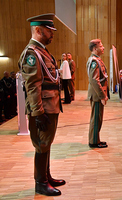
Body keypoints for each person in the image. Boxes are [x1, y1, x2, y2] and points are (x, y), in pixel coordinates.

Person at [18, 13, 65, 196]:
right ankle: (41, 183)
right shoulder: (32, 53)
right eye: (48, 31)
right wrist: (37, 113)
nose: (52, 35)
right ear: (38, 30)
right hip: (42, 108)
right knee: (42, 145)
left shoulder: (42, 51)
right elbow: (32, 86)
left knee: (47, 143)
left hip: (50, 105)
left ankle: (47, 176)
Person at [86, 39, 109, 148]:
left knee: (98, 119)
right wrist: (102, 96)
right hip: (96, 95)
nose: (103, 48)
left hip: (97, 95)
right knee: (96, 120)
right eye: (101, 46)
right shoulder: (94, 61)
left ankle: (96, 139)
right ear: (95, 48)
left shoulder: (96, 60)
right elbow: (95, 80)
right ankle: (94, 142)